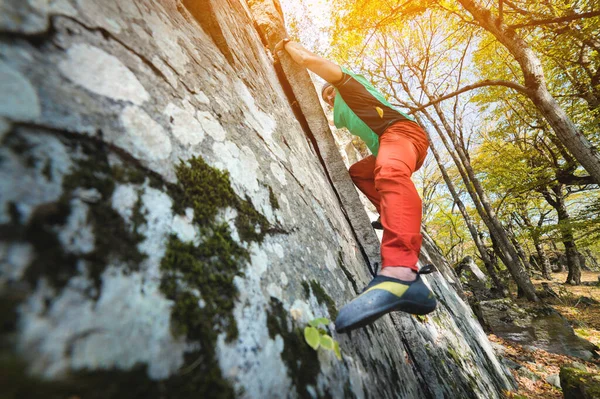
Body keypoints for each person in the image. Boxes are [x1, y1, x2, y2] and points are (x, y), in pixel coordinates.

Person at [274, 38, 437, 333]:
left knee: (389, 173)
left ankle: (400, 274)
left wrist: (286, 43)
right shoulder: (345, 109)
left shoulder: (351, 84)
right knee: (360, 173)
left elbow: (310, 60)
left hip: (402, 132)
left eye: (330, 92)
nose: (328, 98)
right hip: (390, 143)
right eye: (325, 98)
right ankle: (392, 218)